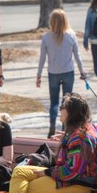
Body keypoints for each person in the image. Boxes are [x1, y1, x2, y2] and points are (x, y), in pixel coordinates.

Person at [37, 9, 87, 139]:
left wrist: (39, 75)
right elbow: (77, 56)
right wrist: (82, 72)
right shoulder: (71, 35)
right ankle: (65, 128)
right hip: (68, 72)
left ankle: (52, 125)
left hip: (53, 73)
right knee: (67, 102)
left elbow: (42, 58)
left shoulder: (46, 37)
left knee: (54, 102)